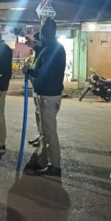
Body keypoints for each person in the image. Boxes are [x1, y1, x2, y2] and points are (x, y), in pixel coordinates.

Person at [22, 18, 66, 176]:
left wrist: (29, 71)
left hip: (48, 95)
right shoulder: (51, 47)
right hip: (45, 94)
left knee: (49, 132)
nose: (38, 34)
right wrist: (34, 47)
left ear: (44, 32)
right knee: (44, 132)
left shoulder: (52, 48)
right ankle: (42, 160)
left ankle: (55, 166)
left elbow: (44, 71)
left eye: (40, 30)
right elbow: (43, 54)